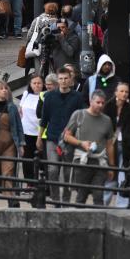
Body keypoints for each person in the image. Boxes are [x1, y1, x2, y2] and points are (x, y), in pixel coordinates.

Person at [37, 66, 85, 203]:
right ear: (57, 80)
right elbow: (44, 119)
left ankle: (65, 199)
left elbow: (82, 117)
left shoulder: (77, 97)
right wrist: (39, 138)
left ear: (70, 80)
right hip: (52, 137)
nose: (63, 81)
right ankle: (55, 197)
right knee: (52, 169)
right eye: (61, 79)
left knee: (67, 171)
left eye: (66, 79)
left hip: (70, 139)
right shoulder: (50, 96)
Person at [63, 90, 116, 206]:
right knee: (82, 194)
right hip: (82, 161)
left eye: (103, 103)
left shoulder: (107, 120)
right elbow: (66, 136)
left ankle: (99, 222)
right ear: (91, 101)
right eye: (98, 102)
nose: (101, 105)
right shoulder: (78, 115)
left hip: (99, 161)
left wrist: (111, 166)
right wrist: (81, 143)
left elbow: (109, 144)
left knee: (98, 195)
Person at [19, 74, 44, 181]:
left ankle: (41, 180)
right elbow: (20, 109)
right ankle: (29, 181)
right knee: (27, 158)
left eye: (39, 83)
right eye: (34, 83)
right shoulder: (26, 94)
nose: (37, 85)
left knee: (41, 158)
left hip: (39, 132)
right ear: (30, 84)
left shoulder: (45, 95)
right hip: (26, 131)